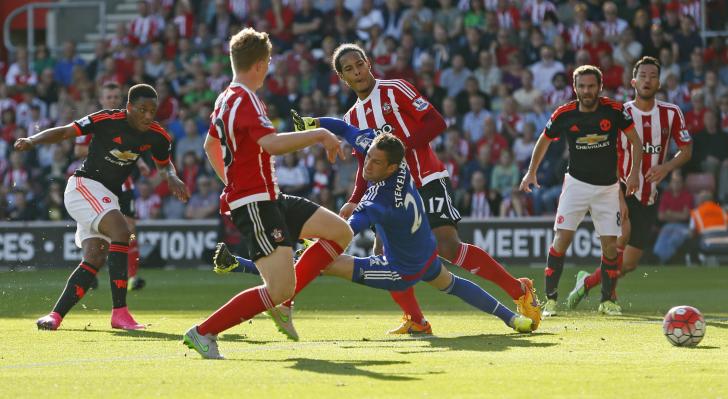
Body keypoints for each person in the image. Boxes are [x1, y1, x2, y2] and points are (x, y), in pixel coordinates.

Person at [215, 127, 535, 342]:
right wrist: (321, 126)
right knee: (452, 284)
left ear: (390, 168)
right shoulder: (399, 164)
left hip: (400, 271)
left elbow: (344, 232)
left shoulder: (376, 203)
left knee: (325, 260)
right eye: (368, 158)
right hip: (426, 254)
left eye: (375, 163)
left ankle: (251, 272)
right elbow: (354, 133)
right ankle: (511, 319)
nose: (367, 166)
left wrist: (316, 228)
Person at [317, 43, 540, 332]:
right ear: (342, 78)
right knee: (385, 258)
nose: (357, 71)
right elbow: (366, 164)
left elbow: (436, 122)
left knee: (447, 245)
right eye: (349, 69)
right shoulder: (351, 119)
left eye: (359, 64)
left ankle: (519, 290)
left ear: (368, 62)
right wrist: (354, 199)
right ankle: (416, 321)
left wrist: (398, 148)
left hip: (426, 179)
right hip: (389, 194)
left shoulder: (395, 89)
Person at [182, 28, 353, 360]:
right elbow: (271, 145)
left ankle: (282, 304)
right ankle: (204, 333)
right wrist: (319, 134)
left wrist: (229, 182)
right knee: (277, 288)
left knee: (339, 232)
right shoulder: (245, 99)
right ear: (261, 64)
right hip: (255, 203)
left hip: (267, 196)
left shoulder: (225, 98)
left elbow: (209, 145)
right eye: (269, 61)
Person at [15, 84, 190, 331]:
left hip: (107, 197)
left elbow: (165, 164)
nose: (148, 116)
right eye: (142, 110)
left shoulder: (157, 135)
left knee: (95, 257)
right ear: (128, 107)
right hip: (83, 186)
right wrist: (33, 140)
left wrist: (171, 176)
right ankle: (120, 313)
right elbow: (67, 132)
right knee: (121, 232)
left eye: (153, 111)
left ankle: (55, 316)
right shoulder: (107, 119)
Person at [566, 57, 692, 308]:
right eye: (642, 75)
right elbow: (607, 154)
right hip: (619, 186)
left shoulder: (671, 113)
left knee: (629, 264)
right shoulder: (620, 113)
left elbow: (686, 149)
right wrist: (619, 196)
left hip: (649, 194)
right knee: (619, 240)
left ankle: (587, 282)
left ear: (659, 82)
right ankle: (609, 300)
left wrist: (666, 167)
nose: (647, 80)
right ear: (634, 81)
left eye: (652, 76)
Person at [519, 65, 644, 317]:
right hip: (575, 184)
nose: (587, 91)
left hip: (608, 187)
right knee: (561, 241)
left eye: (591, 86)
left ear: (600, 87)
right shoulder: (564, 113)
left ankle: (607, 301)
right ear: (574, 88)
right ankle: (550, 301)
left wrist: (632, 175)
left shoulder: (615, 110)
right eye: (582, 86)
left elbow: (636, 142)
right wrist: (532, 171)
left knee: (610, 246)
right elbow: (544, 139)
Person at [74, 82, 149, 291]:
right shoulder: (94, 122)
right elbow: (78, 150)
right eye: (109, 97)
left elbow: (137, 149)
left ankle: (132, 276)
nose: (113, 101)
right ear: (101, 100)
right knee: (98, 231)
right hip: (99, 185)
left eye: (116, 97)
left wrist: (141, 163)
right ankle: (90, 272)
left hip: (124, 184)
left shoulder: (130, 122)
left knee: (130, 229)